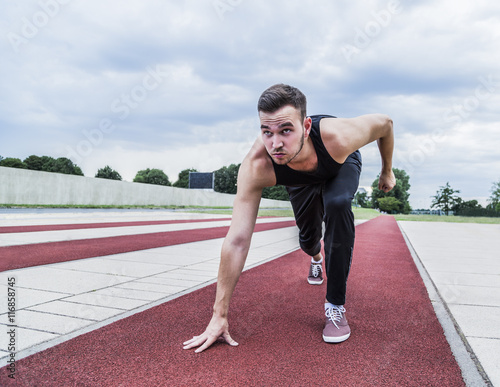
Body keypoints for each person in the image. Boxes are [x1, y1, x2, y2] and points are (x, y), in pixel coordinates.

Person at [183, 83, 396, 353]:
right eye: (266, 132)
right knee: (308, 241)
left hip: (337, 163)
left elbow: (386, 124)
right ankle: (316, 258)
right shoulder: (258, 165)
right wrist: (219, 316)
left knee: (338, 204)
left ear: (306, 127)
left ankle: (335, 306)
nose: (276, 144)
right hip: (299, 178)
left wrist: (387, 171)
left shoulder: (341, 136)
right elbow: (237, 240)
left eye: (286, 130)